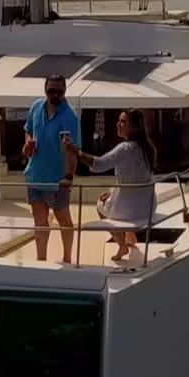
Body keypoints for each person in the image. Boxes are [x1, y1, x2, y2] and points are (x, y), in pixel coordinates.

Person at [66, 109, 157, 264]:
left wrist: (76, 152)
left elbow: (99, 164)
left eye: (123, 122)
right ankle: (130, 235)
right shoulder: (148, 148)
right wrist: (113, 195)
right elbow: (133, 180)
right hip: (148, 207)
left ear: (134, 127)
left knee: (99, 205)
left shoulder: (125, 148)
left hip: (129, 209)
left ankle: (122, 245)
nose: (118, 124)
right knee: (110, 198)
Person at [22, 75, 81, 263]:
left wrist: (69, 176)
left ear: (65, 92)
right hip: (35, 176)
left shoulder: (69, 117)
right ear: (45, 90)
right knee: (40, 222)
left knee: (63, 219)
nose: (55, 95)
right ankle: (41, 261)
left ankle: (67, 259)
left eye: (60, 92)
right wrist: (28, 143)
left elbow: (73, 151)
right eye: (51, 91)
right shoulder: (35, 107)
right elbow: (29, 129)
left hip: (57, 179)